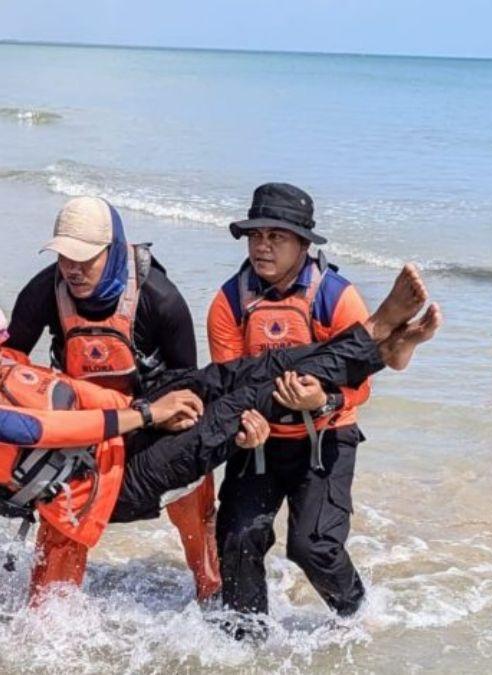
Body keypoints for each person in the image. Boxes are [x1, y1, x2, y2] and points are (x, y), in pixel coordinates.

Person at [0, 265, 441, 605]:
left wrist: (147, 408)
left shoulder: (7, 368)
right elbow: (40, 428)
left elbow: (77, 395)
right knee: (249, 401)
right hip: (110, 483)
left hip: (117, 439)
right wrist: (148, 414)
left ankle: (374, 344)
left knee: (236, 374)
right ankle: (373, 339)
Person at [5, 196, 220, 602]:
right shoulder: (43, 291)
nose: (73, 269)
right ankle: (47, 631)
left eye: (86, 258)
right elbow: (8, 366)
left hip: (155, 421)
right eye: (65, 257)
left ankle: (211, 594)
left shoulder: (161, 298)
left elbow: (187, 384)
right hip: (84, 432)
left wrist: (160, 420)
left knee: (194, 507)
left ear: (116, 249)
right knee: (58, 539)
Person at [207, 182, 375, 626]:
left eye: (276, 237)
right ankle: (245, 643)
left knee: (313, 547)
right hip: (259, 443)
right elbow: (227, 383)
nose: (262, 247)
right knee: (239, 537)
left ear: (303, 244)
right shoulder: (228, 303)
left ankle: (361, 616)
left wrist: (325, 398)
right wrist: (245, 422)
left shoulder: (338, 298)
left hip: (325, 438)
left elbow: (364, 385)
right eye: (256, 236)